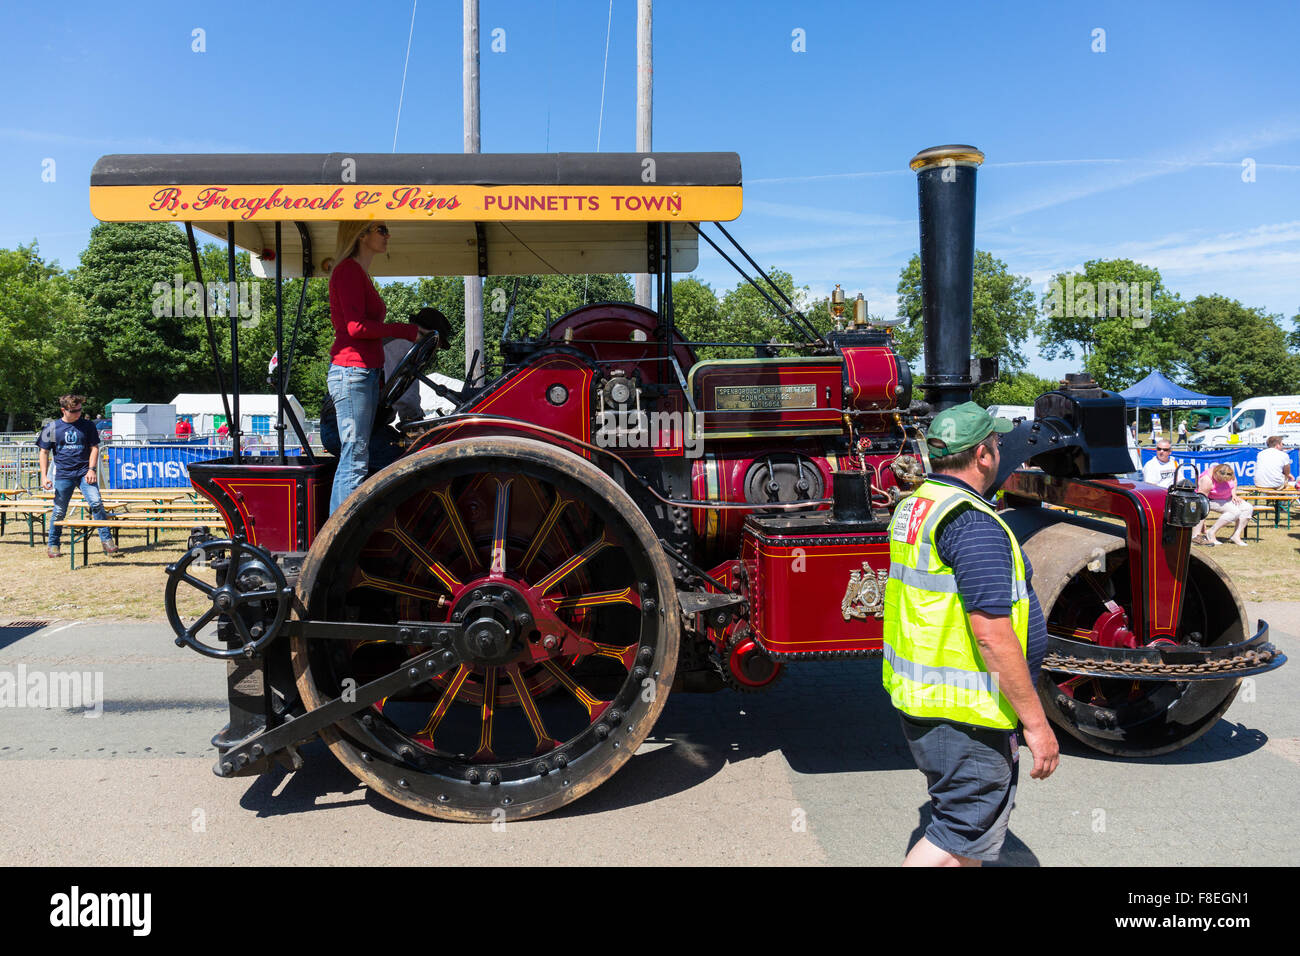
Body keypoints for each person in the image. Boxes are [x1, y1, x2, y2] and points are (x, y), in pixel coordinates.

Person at [884, 402, 1057, 867]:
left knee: (969, 840)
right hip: (967, 712)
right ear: (983, 455)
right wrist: (1037, 725)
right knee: (960, 832)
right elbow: (992, 635)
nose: (1000, 450)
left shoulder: (917, 506)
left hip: (930, 701)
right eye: (997, 443)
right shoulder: (972, 523)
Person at [324, 221, 423, 513]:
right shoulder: (348, 272)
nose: (388, 235)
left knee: (357, 457)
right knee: (354, 458)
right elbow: (355, 327)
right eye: (381, 229)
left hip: (361, 373)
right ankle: (337, 540)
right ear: (361, 234)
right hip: (352, 372)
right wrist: (406, 331)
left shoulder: (358, 273)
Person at [36, 394, 119, 558]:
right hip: (63, 475)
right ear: (63, 410)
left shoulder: (88, 425)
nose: (78, 413)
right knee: (59, 511)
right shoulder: (51, 428)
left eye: (80, 410)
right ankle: (53, 545)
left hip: (84, 473)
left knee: (96, 502)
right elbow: (43, 452)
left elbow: (94, 448)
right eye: (74, 411)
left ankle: (107, 541)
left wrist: (91, 469)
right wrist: (44, 476)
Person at [1192, 462, 1252, 547]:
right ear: (1215, 473)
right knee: (1235, 512)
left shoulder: (1229, 472)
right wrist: (1203, 520)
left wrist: (1234, 494)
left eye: (1226, 480)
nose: (1223, 482)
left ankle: (1236, 536)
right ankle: (1211, 533)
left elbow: (1234, 481)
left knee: (1248, 508)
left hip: (1227, 498)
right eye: (1220, 480)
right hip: (1210, 500)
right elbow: (1202, 502)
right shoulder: (1207, 480)